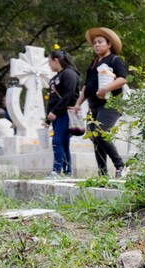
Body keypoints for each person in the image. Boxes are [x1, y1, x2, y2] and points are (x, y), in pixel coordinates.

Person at [74, 27, 127, 177]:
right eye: (95, 43)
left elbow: (122, 79)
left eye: (100, 42)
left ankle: (120, 165)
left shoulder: (114, 60)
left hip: (111, 103)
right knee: (94, 137)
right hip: (93, 104)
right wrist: (78, 103)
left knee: (101, 132)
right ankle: (102, 173)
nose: (96, 45)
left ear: (108, 44)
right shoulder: (93, 63)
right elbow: (87, 86)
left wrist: (106, 88)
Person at [45, 49, 80, 179]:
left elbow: (68, 96)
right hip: (56, 115)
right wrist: (47, 119)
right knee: (63, 143)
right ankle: (66, 172)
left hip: (66, 114)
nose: (49, 65)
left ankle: (56, 170)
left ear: (56, 60)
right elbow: (52, 99)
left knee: (57, 140)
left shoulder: (69, 74)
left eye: (49, 61)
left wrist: (55, 111)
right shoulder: (54, 78)